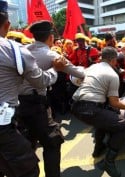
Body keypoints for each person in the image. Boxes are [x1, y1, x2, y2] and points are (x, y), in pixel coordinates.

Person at [15, 20, 85, 177]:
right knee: (53, 142)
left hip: (17, 104)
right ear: (51, 37)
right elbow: (78, 73)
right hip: (37, 106)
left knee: (28, 142)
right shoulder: (51, 55)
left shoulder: (22, 50)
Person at [0, 1, 59, 177]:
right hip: (4, 125)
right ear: (7, 25)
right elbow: (41, 81)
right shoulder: (14, 50)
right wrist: (56, 69)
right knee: (28, 170)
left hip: (17, 115)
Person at [71, 46, 125, 177]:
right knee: (124, 126)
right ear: (114, 60)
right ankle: (109, 162)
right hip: (90, 108)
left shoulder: (92, 67)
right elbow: (114, 102)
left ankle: (98, 149)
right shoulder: (112, 75)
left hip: (75, 106)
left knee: (103, 121)